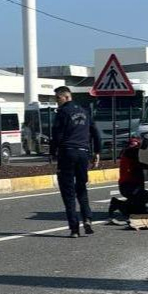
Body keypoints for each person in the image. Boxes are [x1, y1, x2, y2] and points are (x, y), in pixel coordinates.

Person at [50, 86, 101, 238]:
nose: (57, 102)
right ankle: (87, 218)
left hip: (67, 152)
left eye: (58, 98)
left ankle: (74, 229)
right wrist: (97, 152)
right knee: (81, 188)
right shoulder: (85, 111)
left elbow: (57, 134)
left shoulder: (63, 112)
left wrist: (53, 153)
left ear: (66, 97)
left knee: (68, 192)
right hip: (83, 153)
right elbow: (95, 132)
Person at [108, 137, 148, 224]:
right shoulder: (130, 152)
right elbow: (144, 163)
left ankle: (120, 204)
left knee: (139, 207)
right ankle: (120, 204)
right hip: (128, 186)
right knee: (145, 196)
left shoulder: (132, 154)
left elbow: (146, 164)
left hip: (132, 185)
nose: (136, 147)